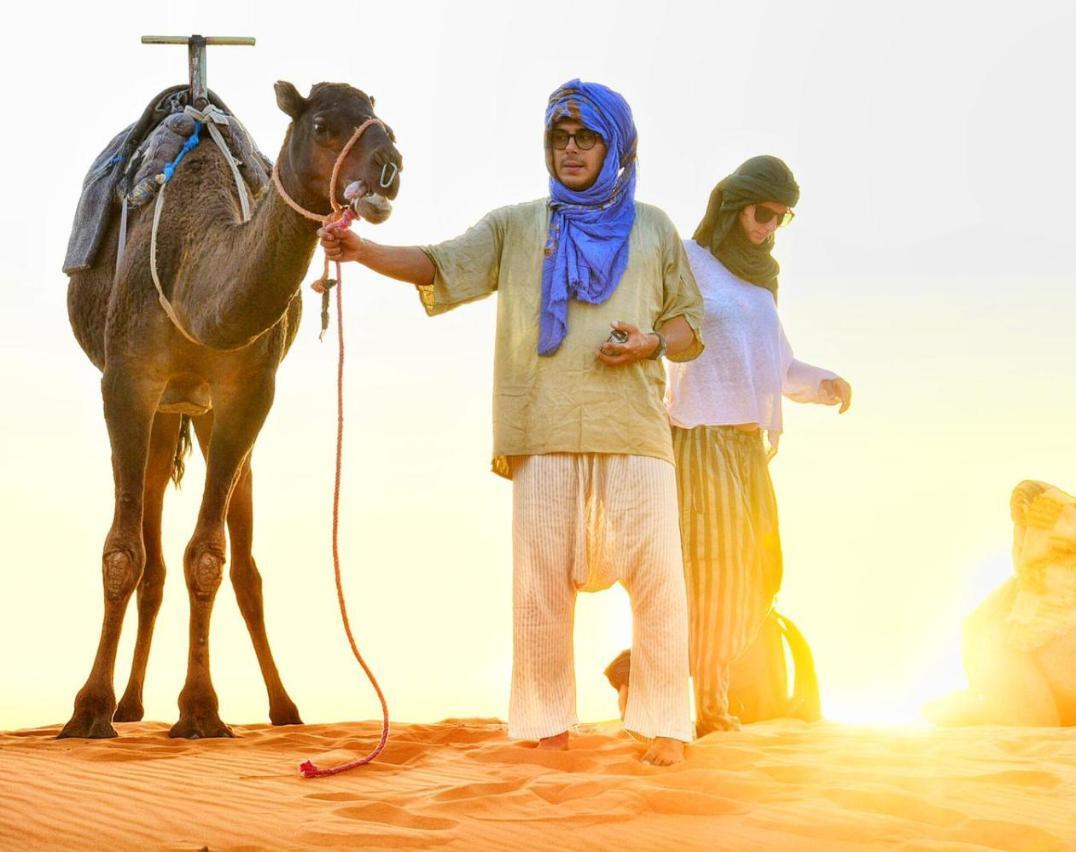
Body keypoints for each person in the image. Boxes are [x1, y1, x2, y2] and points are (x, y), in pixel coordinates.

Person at [319, 80, 702, 765]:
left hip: (637, 429)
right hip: (541, 426)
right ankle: (545, 726)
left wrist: (650, 342)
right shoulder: (515, 225)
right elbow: (441, 264)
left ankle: (665, 727)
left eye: (587, 137)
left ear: (616, 145)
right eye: (560, 137)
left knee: (660, 582)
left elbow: (689, 325)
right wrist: (365, 254)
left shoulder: (655, 229)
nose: (572, 150)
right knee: (539, 590)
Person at [667, 155, 851, 737]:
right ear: (734, 204)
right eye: (764, 212)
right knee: (714, 570)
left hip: (749, 446)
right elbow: (656, 336)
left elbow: (778, 364)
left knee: (761, 572)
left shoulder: (760, 282)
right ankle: (706, 706)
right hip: (698, 436)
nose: (770, 227)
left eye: (783, 218)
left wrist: (824, 384)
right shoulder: (685, 262)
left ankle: (701, 686)